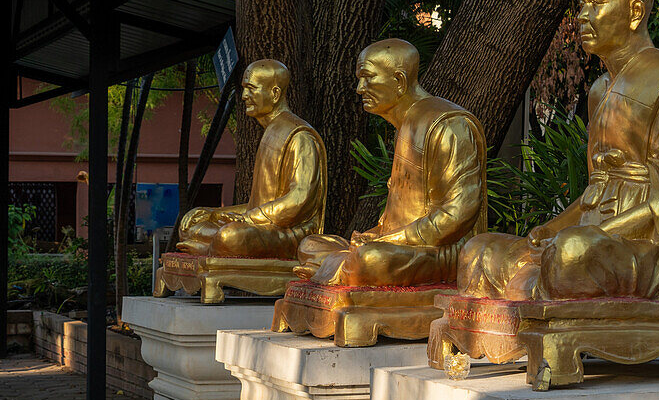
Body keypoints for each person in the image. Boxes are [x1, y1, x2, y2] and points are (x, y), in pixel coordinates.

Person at [458, 0, 659, 301]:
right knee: (480, 250)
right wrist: (553, 228)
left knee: (572, 254)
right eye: (581, 4)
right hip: (590, 239)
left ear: (634, 13)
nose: (582, 16)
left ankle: (538, 288)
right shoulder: (600, 90)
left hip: (650, 251)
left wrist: (600, 233)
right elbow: (596, 191)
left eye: (595, 4)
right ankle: (539, 286)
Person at [294, 39, 486, 286]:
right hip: (397, 246)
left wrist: (393, 240)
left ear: (399, 81)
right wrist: (374, 235)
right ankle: (342, 267)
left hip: (439, 251)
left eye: (368, 78)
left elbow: (458, 214)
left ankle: (338, 269)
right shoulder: (404, 127)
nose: (360, 88)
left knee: (372, 260)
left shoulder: (448, 125)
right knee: (311, 245)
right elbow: (398, 213)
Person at [176, 59, 326, 259]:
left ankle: (209, 249)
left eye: (251, 89)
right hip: (261, 226)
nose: (245, 96)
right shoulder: (271, 132)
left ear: (274, 93)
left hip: (289, 234)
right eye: (244, 89)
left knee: (231, 236)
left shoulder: (299, 137)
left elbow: (299, 200)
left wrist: (247, 219)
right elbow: (259, 205)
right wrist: (214, 213)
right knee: (191, 223)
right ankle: (215, 247)